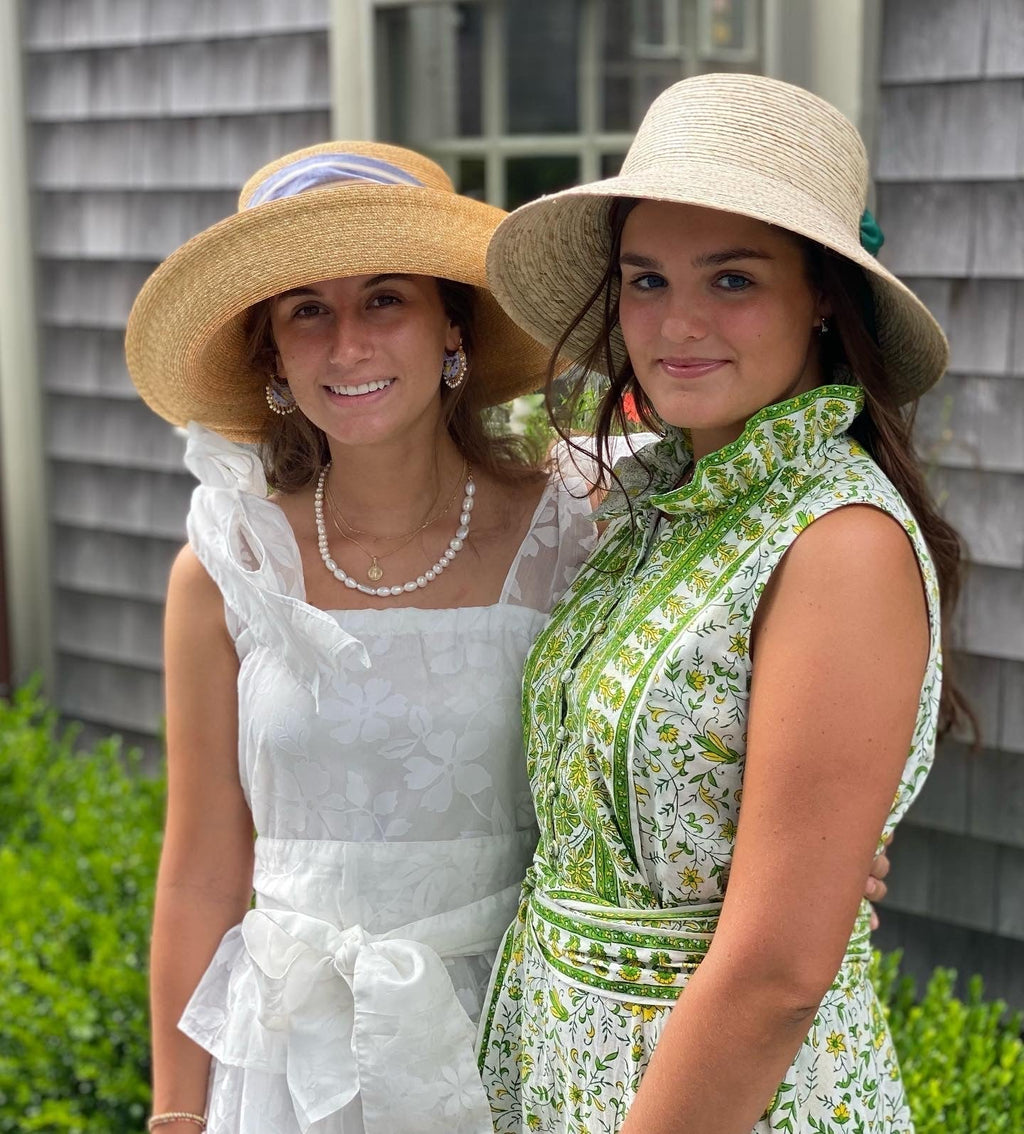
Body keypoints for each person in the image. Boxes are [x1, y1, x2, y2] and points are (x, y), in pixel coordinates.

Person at [126, 136, 891, 1134]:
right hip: (293, 1053)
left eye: (384, 297)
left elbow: (691, 700)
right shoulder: (228, 567)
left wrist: (824, 853)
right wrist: (176, 1115)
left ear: (453, 324)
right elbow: (198, 868)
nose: (347, 344)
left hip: (519, 1019)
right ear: (270, 353)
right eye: (306, 310)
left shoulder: (583, 527)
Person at [478, 73, 967, 1133]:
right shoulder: (658, 503)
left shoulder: (835, 541)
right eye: (645, 281)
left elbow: (777, 974)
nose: (676, 323)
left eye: (731, 280)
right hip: (577, 1073)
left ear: (824, 298)